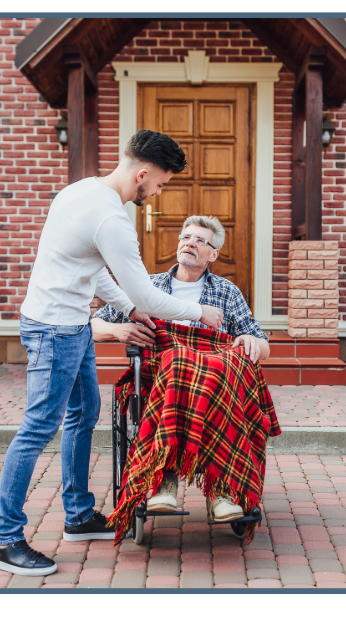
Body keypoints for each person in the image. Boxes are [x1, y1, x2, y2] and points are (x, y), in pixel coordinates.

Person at [0, 130, 224, 577]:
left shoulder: (78, 192)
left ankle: (78, 515)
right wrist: (199, 311)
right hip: (54, 331)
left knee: (84, 413)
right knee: (38, 429)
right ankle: (6, 540)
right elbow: (150, 296)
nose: (157, 193)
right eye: (161, 184)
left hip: (71, 324)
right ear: (142, 173)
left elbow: (91, 272)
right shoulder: (112, 220)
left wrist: (130, 308)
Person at [91, 214, 269, 522]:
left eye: (200, 240)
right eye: (186, 237)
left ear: (214, 254)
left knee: (221, 363)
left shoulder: (227, 292)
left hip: (214, 384)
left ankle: (221, 490)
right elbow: (91, 325)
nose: (190, 243)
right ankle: (165, 480)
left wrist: (251, 342)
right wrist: (119, 331)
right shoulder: (146, 286)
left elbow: (261, 342)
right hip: (162, 377)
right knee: (176, 361)